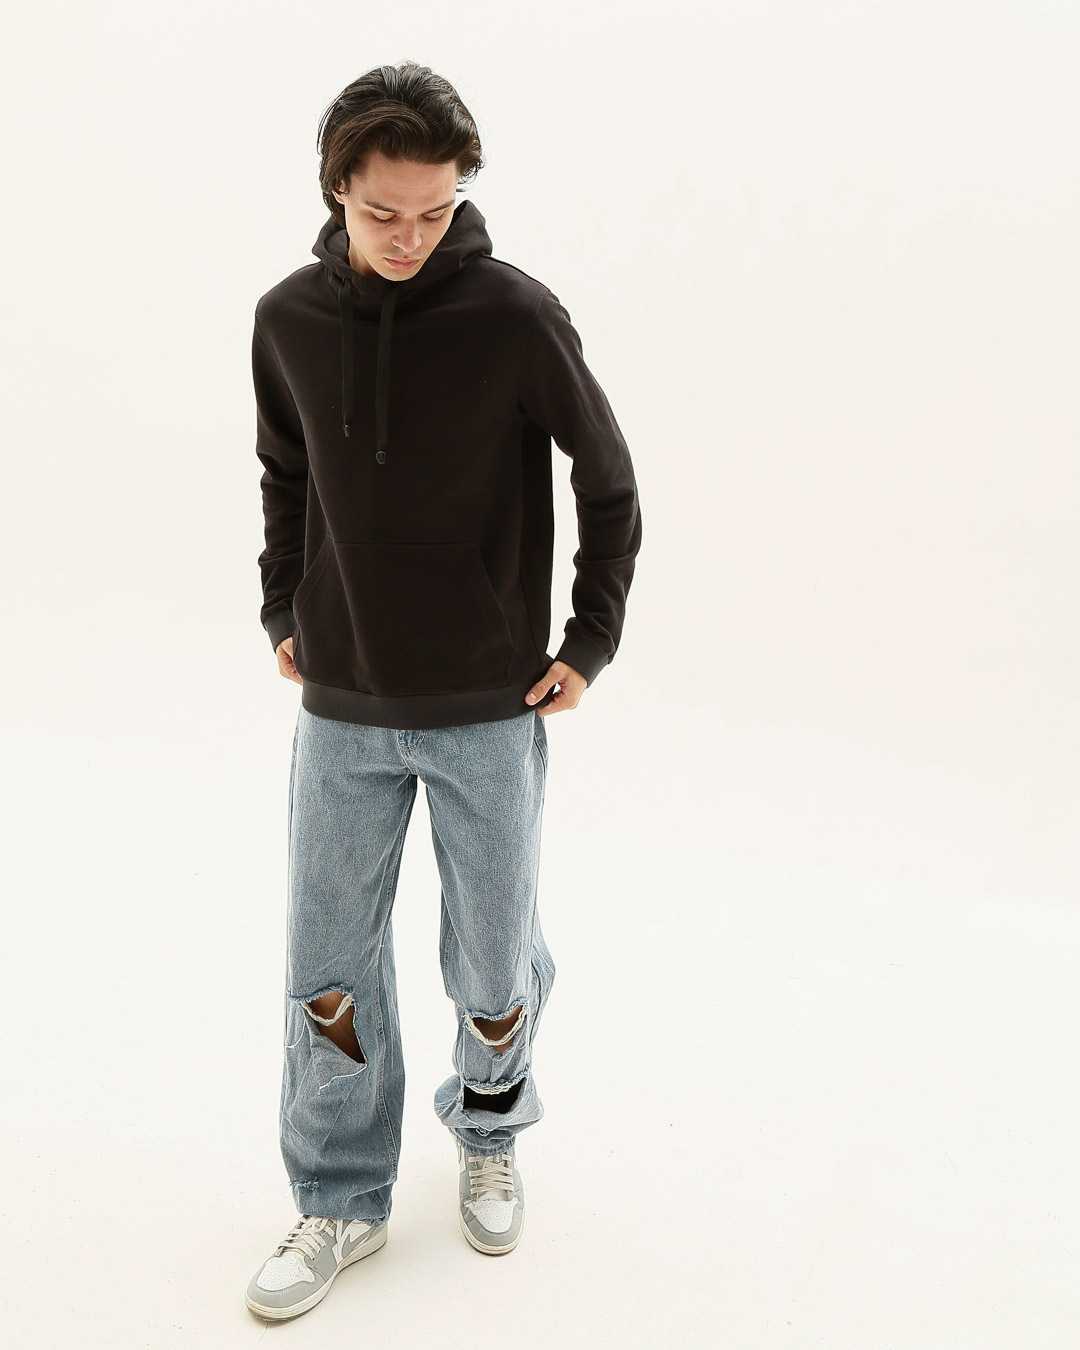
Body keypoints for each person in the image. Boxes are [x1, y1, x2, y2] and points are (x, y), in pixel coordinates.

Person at [244, 60, 642, 1321]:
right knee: (327, 969)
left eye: (435, 210)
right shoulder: (287, 319)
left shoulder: (515, 316)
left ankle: (489, 1128)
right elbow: (283, 473)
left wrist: (589, 639)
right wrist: (283, 605)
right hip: (343, 708)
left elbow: (609, 481)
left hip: (485, 707)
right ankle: (340, 1196)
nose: (410, 236)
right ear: (337, 191)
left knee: (491, 956)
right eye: (383, 212)